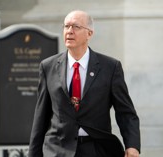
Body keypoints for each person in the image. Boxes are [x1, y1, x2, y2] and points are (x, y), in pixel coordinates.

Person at [28, 10, 140, 157]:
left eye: (76, 27)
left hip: (96, 148)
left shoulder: (110, 67)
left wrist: (132, 146)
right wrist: (33, 153)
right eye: (66, 26)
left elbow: (125, 112)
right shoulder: (48, 66)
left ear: (90, 33)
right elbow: (41, 115)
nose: (69, 31)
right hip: (57, 149)